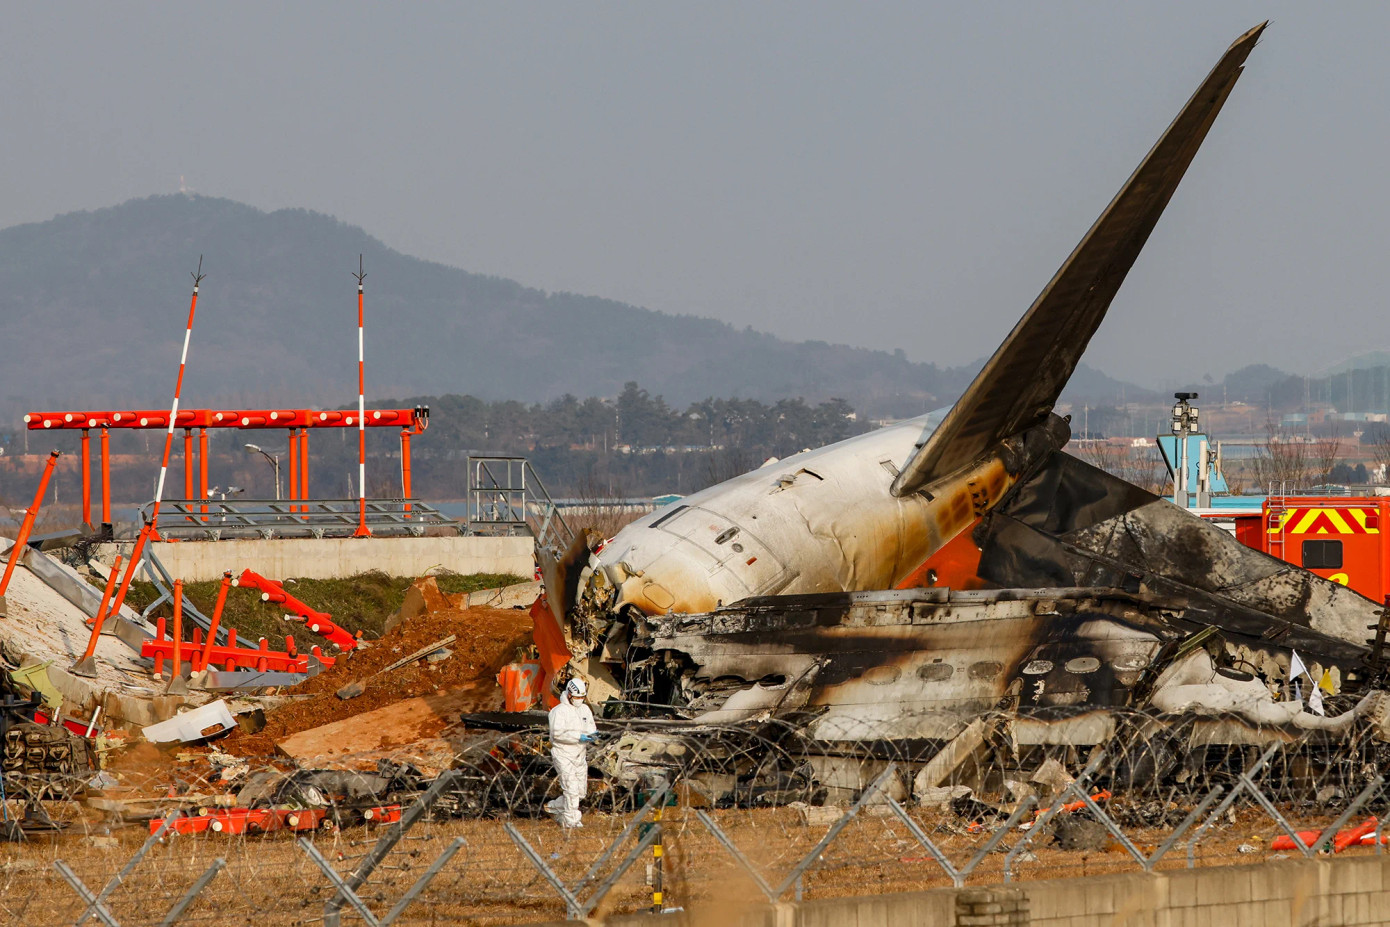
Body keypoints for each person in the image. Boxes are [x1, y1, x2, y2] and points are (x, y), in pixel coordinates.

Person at [546, 677, 597, 828]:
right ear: (569, 694)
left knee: (580, 792)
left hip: (580, 755)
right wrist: (578, 736)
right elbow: (557, 734)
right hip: (563, 754)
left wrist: (593, 734)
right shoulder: (558, 712)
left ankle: (554, 807)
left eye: (582, 697)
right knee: (571, 789)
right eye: (576, 697)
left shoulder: (585, 709)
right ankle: (571, 821)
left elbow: (590, 726)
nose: (579, 700)